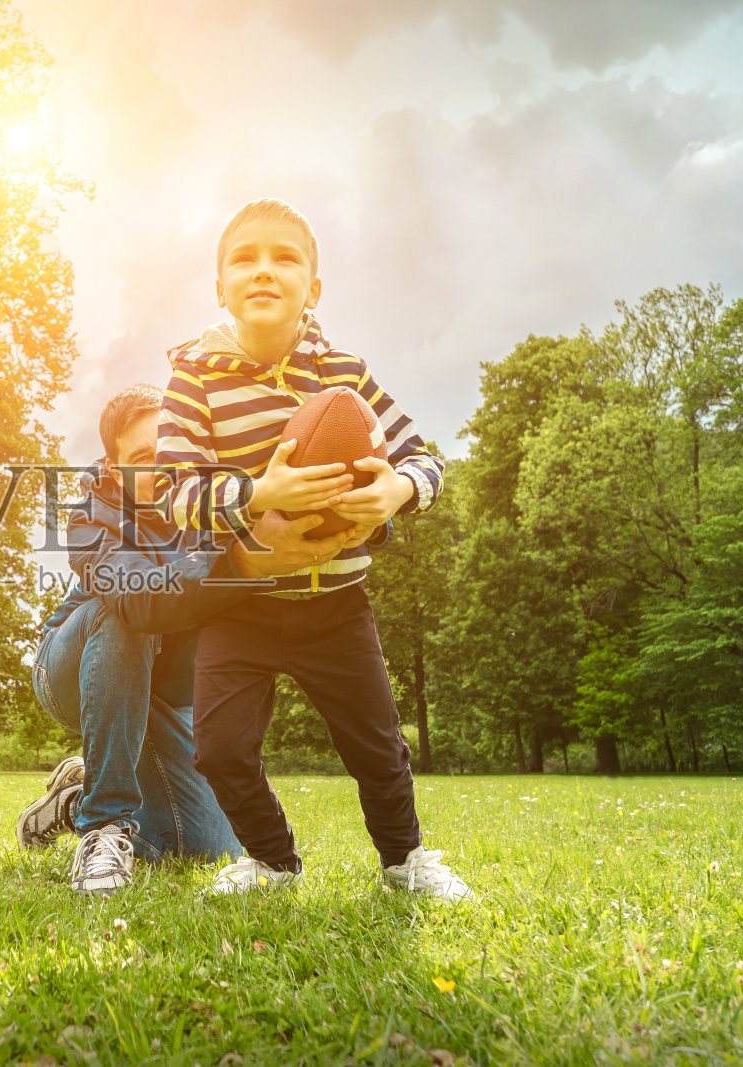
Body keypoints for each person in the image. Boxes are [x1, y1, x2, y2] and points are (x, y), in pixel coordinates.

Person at [155, 197, 475, 900]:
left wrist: (396, 492)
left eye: (284, 258)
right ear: (220, 289)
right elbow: (175, 491)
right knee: (219, 748)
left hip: (336, 602)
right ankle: (271, 861)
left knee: (377, 746)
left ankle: (405, 860)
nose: (263, 271)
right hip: (239, 604)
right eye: (244, 258)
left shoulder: (344, 373)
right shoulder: (193, 378)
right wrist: (259, 493)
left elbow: (424, 457)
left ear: (314, 288)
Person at [15, 383, 380, 895]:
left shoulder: (219, 496)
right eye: (144, 459)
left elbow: (297, 517)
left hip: (163, 696)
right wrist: (243, 563)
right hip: (76, 669)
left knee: (206, 849)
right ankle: (102, 823)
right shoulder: (90, 514)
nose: (163, 469)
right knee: (126, 613)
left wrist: (360, 511)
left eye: (168, 451)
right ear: (117, 472)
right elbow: (142, 602)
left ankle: (77, 796)